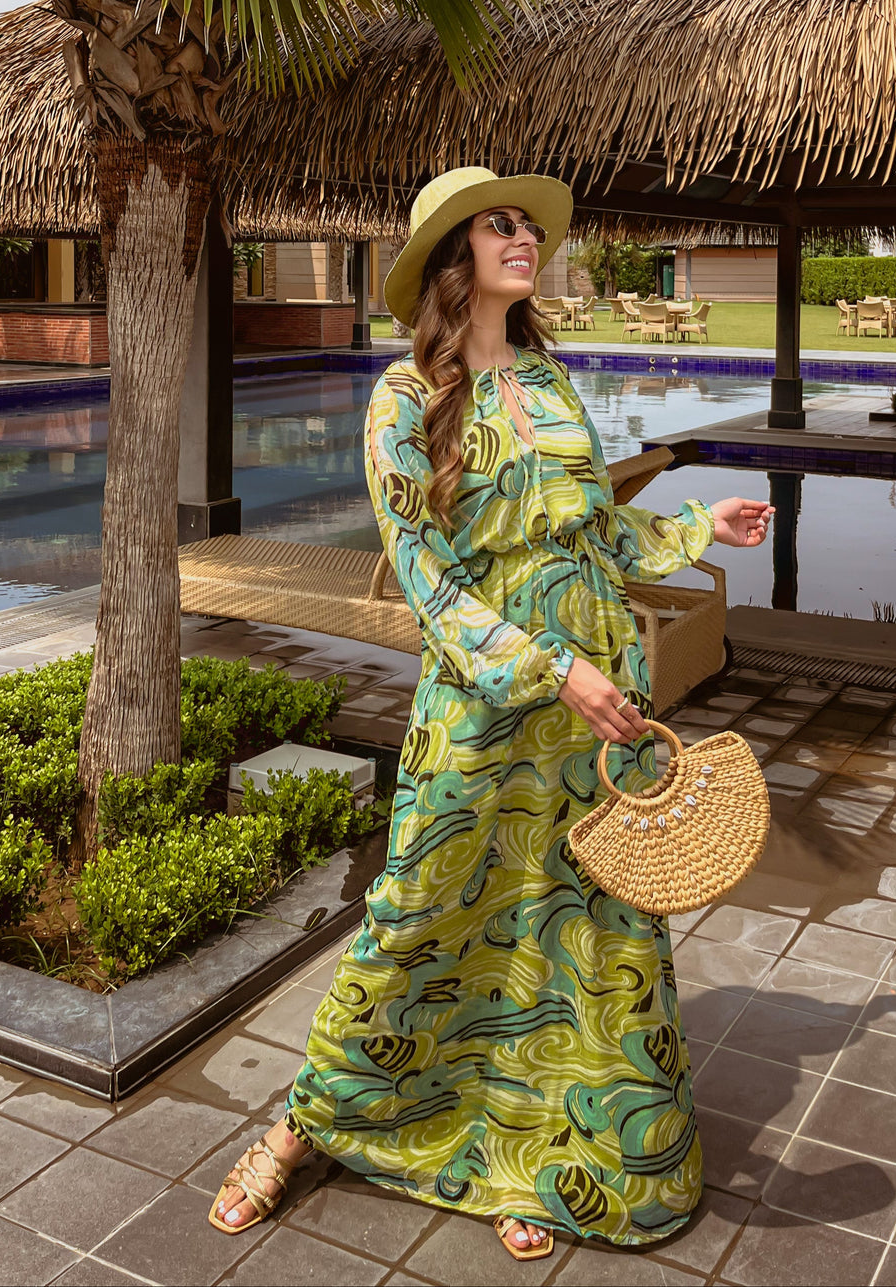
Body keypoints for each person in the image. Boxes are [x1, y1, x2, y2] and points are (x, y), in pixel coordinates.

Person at [208, 167, 773, 1261]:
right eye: (498, 225)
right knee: (418, 907)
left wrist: (700, 526)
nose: (525, 239)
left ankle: (538, 1154)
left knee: (571, 925)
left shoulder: (551, 379)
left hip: (596, 700)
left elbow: (590, 532)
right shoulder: (401, 397)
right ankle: (300, 1124)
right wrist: (548, 670)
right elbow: (425, 579)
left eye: (527, 226)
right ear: (451, 258)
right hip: (488, 698)